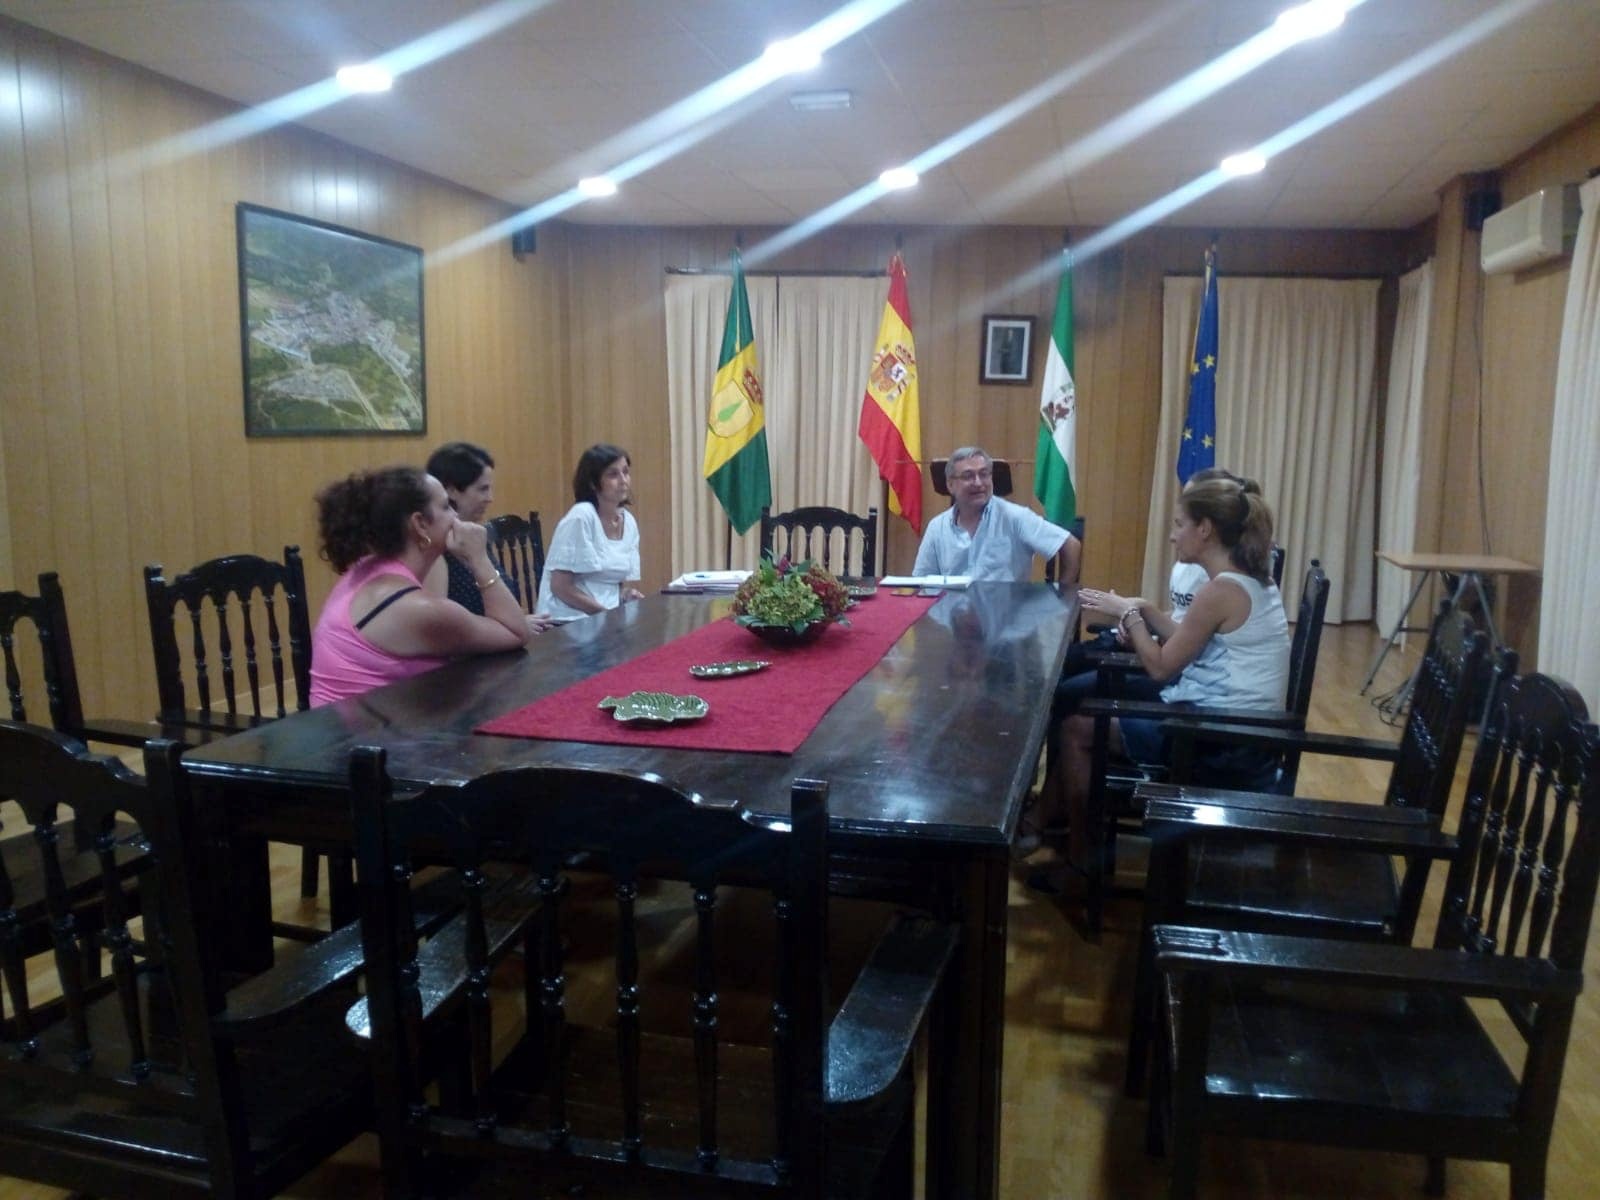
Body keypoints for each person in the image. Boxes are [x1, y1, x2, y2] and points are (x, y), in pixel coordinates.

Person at [1032, 474, 1290, 892]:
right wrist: (1146, 610)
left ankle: (1079, 865)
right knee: (1084, 712)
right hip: (1235, 729)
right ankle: (1059, 826)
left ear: (1204, 529)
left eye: (1179, 524)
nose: (1173, 536)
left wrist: (1129, 615)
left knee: (1078, 730)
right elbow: (1185, 637)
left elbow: (1160, 668)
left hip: (1224, 742)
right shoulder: (1246, 578)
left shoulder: (1221, 590)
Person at [309, 466, 530, 706]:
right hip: (359, 729)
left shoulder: (368, 567)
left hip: (348, 720)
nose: (456, 516)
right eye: (446, 506)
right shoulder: (415, 609)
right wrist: (479, 557)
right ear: (420, 524)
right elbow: (516, 632)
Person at [423, 440, 555, 635]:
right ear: (452, 491)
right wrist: (511, 627)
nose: (490, 498)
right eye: (482, 489)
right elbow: (439, 630)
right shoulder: (437, 551)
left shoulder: (471, 536)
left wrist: (517, 621)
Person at [913, 445, 1081, 583]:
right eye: (968, 476)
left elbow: (1071, 545)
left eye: (984, 474)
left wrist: (1061, 600)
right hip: (952, 612)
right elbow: (921, 580)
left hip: (1006, 612)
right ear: (950, 485)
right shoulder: (937, 527)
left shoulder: (1015, 518)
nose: (978, 482)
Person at [537, 444, 645, 619]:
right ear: (592, 483)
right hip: (568, 619)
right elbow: (560, 587)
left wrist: (623, 595)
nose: (623, 480)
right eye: (613, 474)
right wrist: (606, 615)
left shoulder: (629, 522)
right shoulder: (581, 517)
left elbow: (609, 580)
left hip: (603, 617)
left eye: (625, 472)